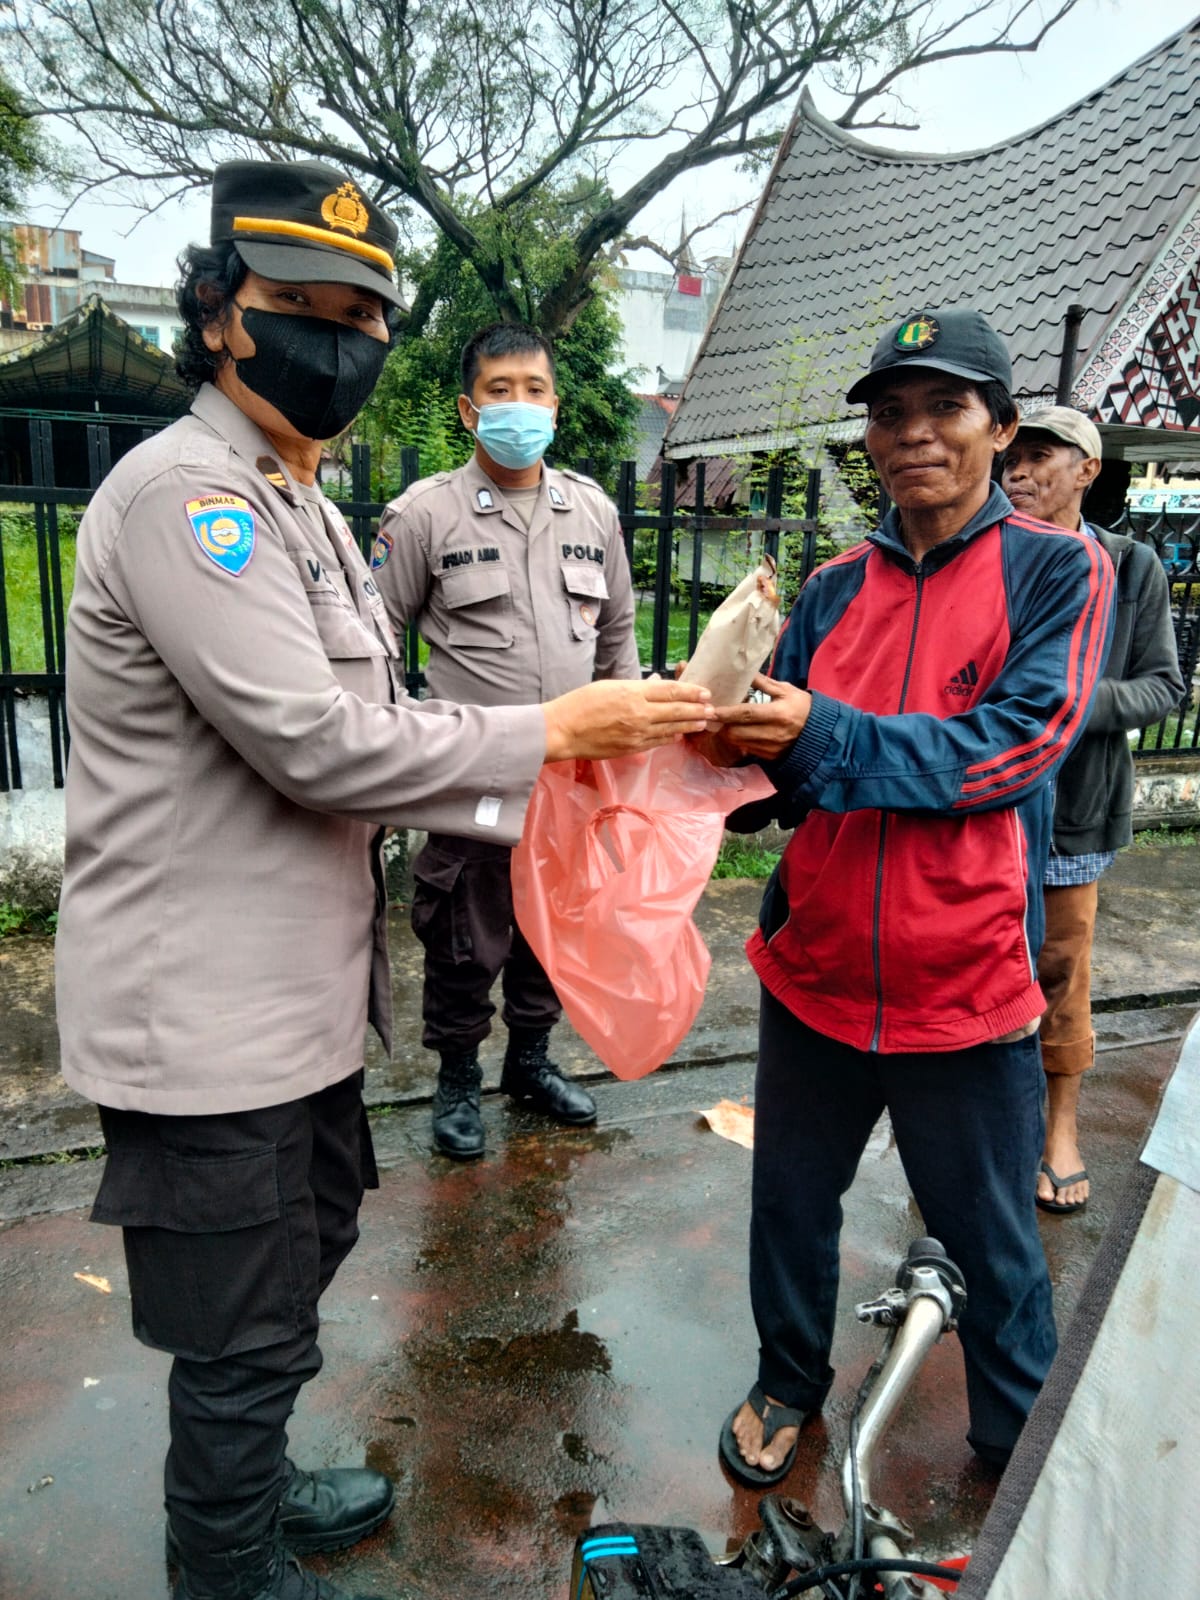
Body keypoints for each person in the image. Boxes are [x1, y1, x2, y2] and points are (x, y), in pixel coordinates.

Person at [54, 158, 713, 1600]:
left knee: (294, 1269)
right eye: (302, 305)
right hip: (204, 1020)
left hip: (293, 1003)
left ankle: (260, 1484)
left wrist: (595, 738)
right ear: (223, 312)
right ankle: (224, 1568)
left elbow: (391, 716)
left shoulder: (297, 502)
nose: (340, 338)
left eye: (364, 315)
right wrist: (548, 735)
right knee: (238, 1326)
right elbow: (316, 741)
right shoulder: (190, 500)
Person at [704, 308, 1115, 1484]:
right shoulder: (834, 588)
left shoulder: (1058, 570)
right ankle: (789, 1379)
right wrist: (706, 752)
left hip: (965, 981)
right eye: (890, 413)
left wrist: (820, 730)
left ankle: (1014, 1433)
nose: (914, 433)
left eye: (945, 406)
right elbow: (789, 767)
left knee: (990, 1237)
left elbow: (1010, 750)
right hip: (819, 966)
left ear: (1001, 424)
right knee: (790, 1205)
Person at [372, 323, 640, 1158]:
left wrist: (625, 749)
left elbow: (618, 639)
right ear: (467, 409)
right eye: (499, 390)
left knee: (550, 931)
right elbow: (371, 639)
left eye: (533, 389)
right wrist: (405, 739)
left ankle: (530, 1061)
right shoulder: (424, 515)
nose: (518, 405)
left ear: (555, 405)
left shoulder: (591, 510)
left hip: (571, 783)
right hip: (473, 780)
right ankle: (457, 1081)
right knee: (462, 936)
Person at [1001, 408, 1184, 1214]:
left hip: (1074, 806)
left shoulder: (1130, 565)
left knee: (1058, 971)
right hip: (981, 803)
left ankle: (1059, 1131)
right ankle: (973, 1131)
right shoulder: (982, 554)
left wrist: (1069, 704)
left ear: (1087, 470)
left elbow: (1163, 687)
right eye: (1013, 456)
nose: (1019, 471)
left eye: (1042, 456)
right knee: (972, 968)